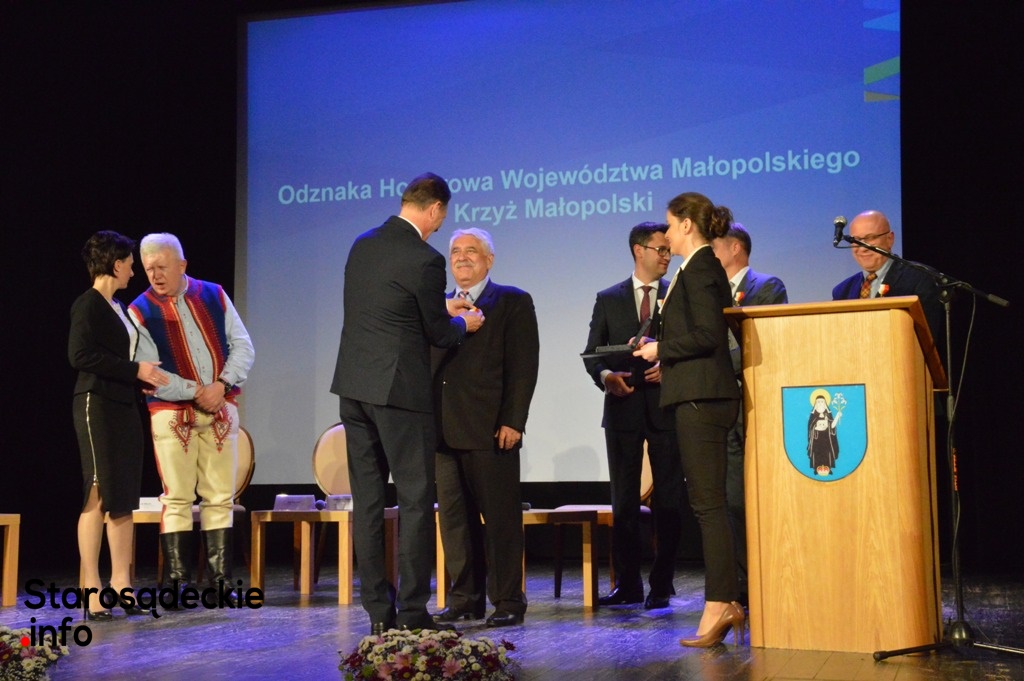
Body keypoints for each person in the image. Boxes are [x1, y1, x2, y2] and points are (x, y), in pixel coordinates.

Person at [331, 173, 484, 634]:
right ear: (434, 208)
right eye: (442, 218)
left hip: (354, 388)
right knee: (416, 500)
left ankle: (379, 614)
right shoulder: (425, 258)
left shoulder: (362, 244)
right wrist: (463, 324)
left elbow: (387, 305)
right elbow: (437, 332)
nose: (440, 227)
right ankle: (414, 613)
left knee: (369, 504)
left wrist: (440, 307)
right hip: (399, 393)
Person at [634, 192, 745, 648]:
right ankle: (724, 601)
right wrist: (661, 348)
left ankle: (721, 603)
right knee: (707, 503)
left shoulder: (700, 268)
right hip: (696, 394)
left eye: (668, 224)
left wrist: (662, 349)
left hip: (702, 398)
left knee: (707, 505)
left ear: (685, 225)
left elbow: (707, 335)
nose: (664, 233)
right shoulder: (694, 268)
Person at [129, 233, 255, 602]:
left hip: (220, 410)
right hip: (172, 413)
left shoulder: (214, 294)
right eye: (149, 269)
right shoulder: (140, 310)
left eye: (162, 267)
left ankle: (221, 581)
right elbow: (150, 371)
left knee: (219, 495)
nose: (155, 275)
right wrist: (198, 391)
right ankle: (177, 583)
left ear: (182, 265)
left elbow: (243, 345)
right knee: (177, 496)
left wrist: (222, 384)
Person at [432, 228, 539, 628]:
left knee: (500, 522)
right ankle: (465, 599)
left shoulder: (511, 301)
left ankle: (508, 600)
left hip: (491, 429)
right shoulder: (438, 307)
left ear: (489, 260)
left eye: (471, 251)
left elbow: (523, 366)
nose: (462, 257)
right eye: (455, 251)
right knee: (455, 523)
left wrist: (514, 420)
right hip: (443, 431)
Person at [583, 222, 685, 610]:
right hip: (622, 410)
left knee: (669, 500)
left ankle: (662, 583)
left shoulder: (677, 295)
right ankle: (627, 584)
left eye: (669, 249)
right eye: (661, 249)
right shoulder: (608, 298)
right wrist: (606, 377)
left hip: (665, 408)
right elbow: (592, 354)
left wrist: (670, 367)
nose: (667, 255)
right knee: (623, 502)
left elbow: (689, 346)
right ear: (638, 250)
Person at [69, 230, 168, 619]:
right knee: (98, 491)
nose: (133, 270)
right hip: (96, 403)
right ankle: (92, 588)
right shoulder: (88, 304)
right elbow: (80, 356)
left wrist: (142, 377)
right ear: (115, 264)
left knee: (124, 495)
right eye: (129, 263)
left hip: (124, 405)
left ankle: (122, 586)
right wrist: (134, 370)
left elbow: (123, 357)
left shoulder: (118, 307)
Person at [711, 223, 788, 604]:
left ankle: (769, 578)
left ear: (736, 248)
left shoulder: (767, 287)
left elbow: (761, 343)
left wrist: (711, 365)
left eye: (714, 246)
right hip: (721, 405)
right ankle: (742, 584)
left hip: (756, 403)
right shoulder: (710, 291)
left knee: (756, 496)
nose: (709, 254)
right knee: (729, 499)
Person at [831, 210, 943, 346]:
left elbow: (924, 342)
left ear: (890, 239)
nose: (862, 248)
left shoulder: (920, 278)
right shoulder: (842, 291)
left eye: (870, 238)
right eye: (855, 240)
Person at [807, 390, 841, 476]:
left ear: (825, 403)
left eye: (822, 402)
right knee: (817, 453)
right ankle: (816, 468)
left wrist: (837, 416)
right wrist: (815, 428)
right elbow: (810, 427)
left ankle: (828, 468)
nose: (820, 404)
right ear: (815, 404)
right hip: (816, 439)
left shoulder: (828, 415)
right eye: (818, 402)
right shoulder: (813, 416)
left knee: (827, 452)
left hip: (827, 438)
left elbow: (832, 426)